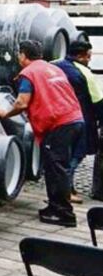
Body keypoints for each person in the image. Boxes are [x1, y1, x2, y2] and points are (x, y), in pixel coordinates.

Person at [0, 40, 84, 227]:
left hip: (59, 124)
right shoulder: (53, 69)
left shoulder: (29, 73)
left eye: (19, 54)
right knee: (61, 167)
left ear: (23, 55)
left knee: (56, 168)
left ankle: (63, 213)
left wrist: (4, 113)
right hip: (75, 120)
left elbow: (22, 103)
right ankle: (56, 205)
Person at [53, 39, 102, 203]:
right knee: (77, 154)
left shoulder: (56, 66)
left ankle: (66, 187)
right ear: (81, 56)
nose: (89, 59)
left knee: (63, 154)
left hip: (58, 118)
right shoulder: (85, 73)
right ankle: (65, 189)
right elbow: (97, 101)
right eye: (88, 56)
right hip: (81, 119)